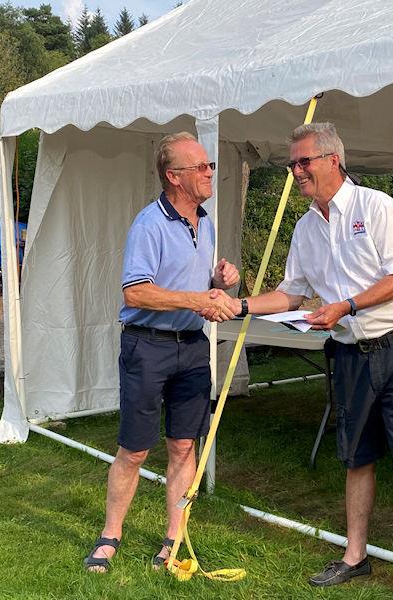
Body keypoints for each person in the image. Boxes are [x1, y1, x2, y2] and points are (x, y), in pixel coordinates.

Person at [206, 122, 393, 599]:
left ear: (333, 160)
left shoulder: (378, 207)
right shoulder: (307, 226)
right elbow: (291, 294)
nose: (296, 171)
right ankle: (355, 557)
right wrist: (240, 305)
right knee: (356, 458)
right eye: (292, 163)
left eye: (303, 161)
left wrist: (345, 306)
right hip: (350, 354)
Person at [83, 132, 240, 573]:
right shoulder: (148, 223)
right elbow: (136, 292)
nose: (211, 173)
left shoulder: (204, 222)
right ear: (174, 177)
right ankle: (110, 534)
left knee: (183, 446)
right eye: (202, 167)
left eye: (210, 166)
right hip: (147, 347)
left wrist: (220, 276)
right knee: (134, 449)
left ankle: (173, 537)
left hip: (191, 347)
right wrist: (197, 300)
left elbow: (197, 281)